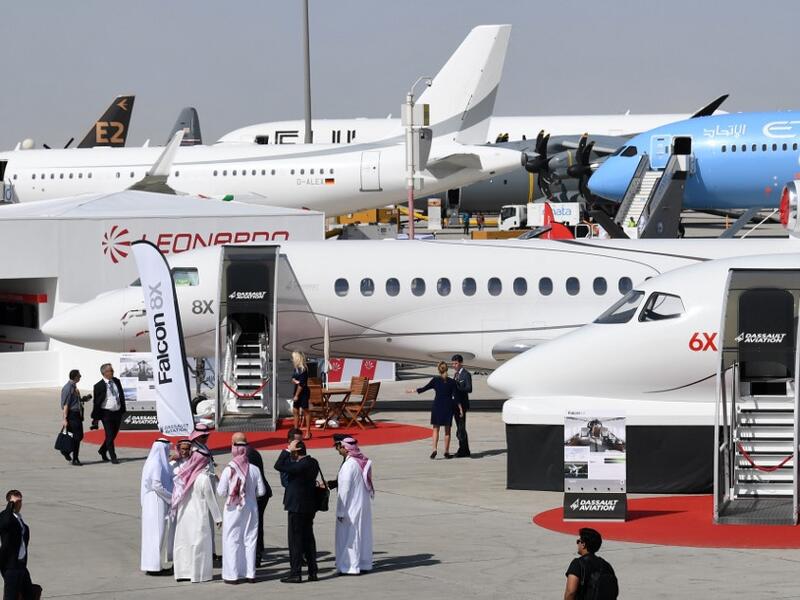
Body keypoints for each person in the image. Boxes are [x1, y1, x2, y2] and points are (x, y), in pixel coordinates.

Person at [217, 436, 267, 583]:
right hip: (251, 507)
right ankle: (250, 574)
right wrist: (250, 495)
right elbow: (262, 492)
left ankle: (232, 575)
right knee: (250, 539)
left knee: (232, 539)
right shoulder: (255, 469)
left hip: (233, 509)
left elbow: (221, 492)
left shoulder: (229, 469)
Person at [171, 448, 222, 583]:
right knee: (199, 545)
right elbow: (211, 499)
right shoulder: (203, 478)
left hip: (183, 516)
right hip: (199, 516)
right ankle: (199, 575)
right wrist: (218, 518)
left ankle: (182, 573)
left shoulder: (182, 475)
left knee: (184, 543)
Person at [273, 440, 320, 583]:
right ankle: (313, 572)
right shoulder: (313, 462)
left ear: (297, 451)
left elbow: (278, 465)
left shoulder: (300, 465)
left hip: (297, 507)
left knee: (295, 541)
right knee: (308, 539)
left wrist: (287, 450)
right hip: (309, 506)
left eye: (292, 451)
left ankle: (295, 573)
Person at [231, 432, 273, 564]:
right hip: (255, 494)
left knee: (255, 525)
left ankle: (256, 555)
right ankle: (256, 553)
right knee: (254, 524)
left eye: (233, 443)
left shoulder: (248, 455)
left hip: (257, 495)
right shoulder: (249, 452)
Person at [334, 437, 374, 575]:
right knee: (362, 535)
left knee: (349, 537)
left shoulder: (349, 465)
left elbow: (344, 490)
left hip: (350, 508)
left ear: (345, 448)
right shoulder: (360, 462)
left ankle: (349, 566)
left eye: (338, 447)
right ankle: (364, 563)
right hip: (362, 505)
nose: (337, 450)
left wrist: (340, 511)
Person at [407, 361, 458, 459]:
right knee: (447, 431)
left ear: (439, 370)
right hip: (448, 406)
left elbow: (423, 389)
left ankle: (434, 449)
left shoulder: (435, 380)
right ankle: (446, 452)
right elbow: (455, 397)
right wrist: (459, 408)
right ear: (447, 369)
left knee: (435, 429)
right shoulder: (452, 382)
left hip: (437, 406)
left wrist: (413, 390)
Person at [140, 438, 173, 575]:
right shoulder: (157, 463)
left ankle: (150, 565)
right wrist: (171, 498)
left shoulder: (150, 461)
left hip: (150, 500)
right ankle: (154, 568)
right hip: (156, 500)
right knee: (156, 533)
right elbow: (157, 485)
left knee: (150, 534)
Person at [565, 528, 618, 600]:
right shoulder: (606, 565)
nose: (577, 544)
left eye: (578, 541)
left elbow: (571, 592)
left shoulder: (578, 563)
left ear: (583, 544)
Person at [0, 490, 34, 600]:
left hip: (21, 565)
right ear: (10, 502)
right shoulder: (5, 516)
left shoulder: (19, 518)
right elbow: (5, 523)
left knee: (30, 593)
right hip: (10, 566)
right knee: (11, 596)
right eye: (16, 501)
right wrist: (11, 505)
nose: (19, 504)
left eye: (20, 501)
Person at [91, 363, 126, 464]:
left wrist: (123, 409)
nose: (113, 372)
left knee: (113, 434)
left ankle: (102, 450)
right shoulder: (98, 386)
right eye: (111, 370)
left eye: (112, 370)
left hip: (117, 412)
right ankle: (113, 456)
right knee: (110, 435)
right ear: (105, 373)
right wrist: (95, 418)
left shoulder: (116, 381)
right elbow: (96, 402)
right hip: (106, 413)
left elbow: (121, 395)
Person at [60, 369, 88, 465]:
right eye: (79, 375)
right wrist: (64, 419)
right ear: (75, 377)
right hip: (72, 415)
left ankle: (67, 451)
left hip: (76, 415)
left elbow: (75, 402)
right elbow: (65, 405)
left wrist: (83, 399)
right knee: (78, 436)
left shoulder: (74, 387)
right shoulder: (68, 388)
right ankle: (74, 458)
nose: (80, 377)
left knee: (75, 436)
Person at [451, 354, 472, 458]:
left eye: (456, 363)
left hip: (462, 406)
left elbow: (469, 389)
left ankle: (463, 450)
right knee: (460, 428)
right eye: (453, 363)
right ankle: (465, 450)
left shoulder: (466, 374)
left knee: (461, 428)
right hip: (455, 405)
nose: (454, 365)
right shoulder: (455, 375)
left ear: (461, 363)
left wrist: (458, 387)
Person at [290, 351, 310, 436]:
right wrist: (295, 381)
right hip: (297, 390)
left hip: (303, 392)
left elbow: (302, 384)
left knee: (305, 410)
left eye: (293, 357)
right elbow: (293, 379)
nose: (292, 359)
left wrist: (296, 395)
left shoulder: (303, 369)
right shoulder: (296, 368)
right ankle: (296, 430)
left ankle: (308, 432)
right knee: (295, 410)